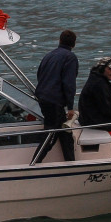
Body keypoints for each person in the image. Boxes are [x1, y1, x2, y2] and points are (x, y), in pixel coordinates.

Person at [31, 29, 78, 164]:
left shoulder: (49, 55)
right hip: (55, 101)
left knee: (65, 132)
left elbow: (39, 75)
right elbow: (69, 83)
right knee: (51, 134)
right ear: (73, 44)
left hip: (43, 97)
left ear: (59, 41)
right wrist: (70, 107)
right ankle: (35, 162)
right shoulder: (70, 58)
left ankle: (71, 162)